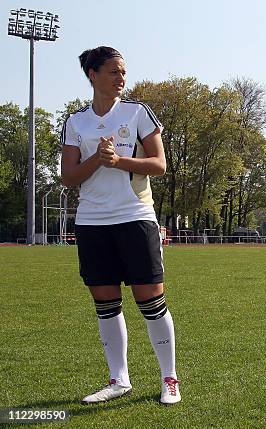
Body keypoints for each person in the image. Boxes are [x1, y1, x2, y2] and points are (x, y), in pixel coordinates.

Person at [61, 46, 181, 405]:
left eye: (123, 72)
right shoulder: (75, 121)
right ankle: (118, 379)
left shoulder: (138, 112)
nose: (121, 78)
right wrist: (97, 159)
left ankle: (169, 379)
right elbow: (68, 177)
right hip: (92, 222)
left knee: (151, 301)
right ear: (92, 75)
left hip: (135, 217)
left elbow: (159, 165)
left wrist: (119, 160)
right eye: (113, 72)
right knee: (105, 303)